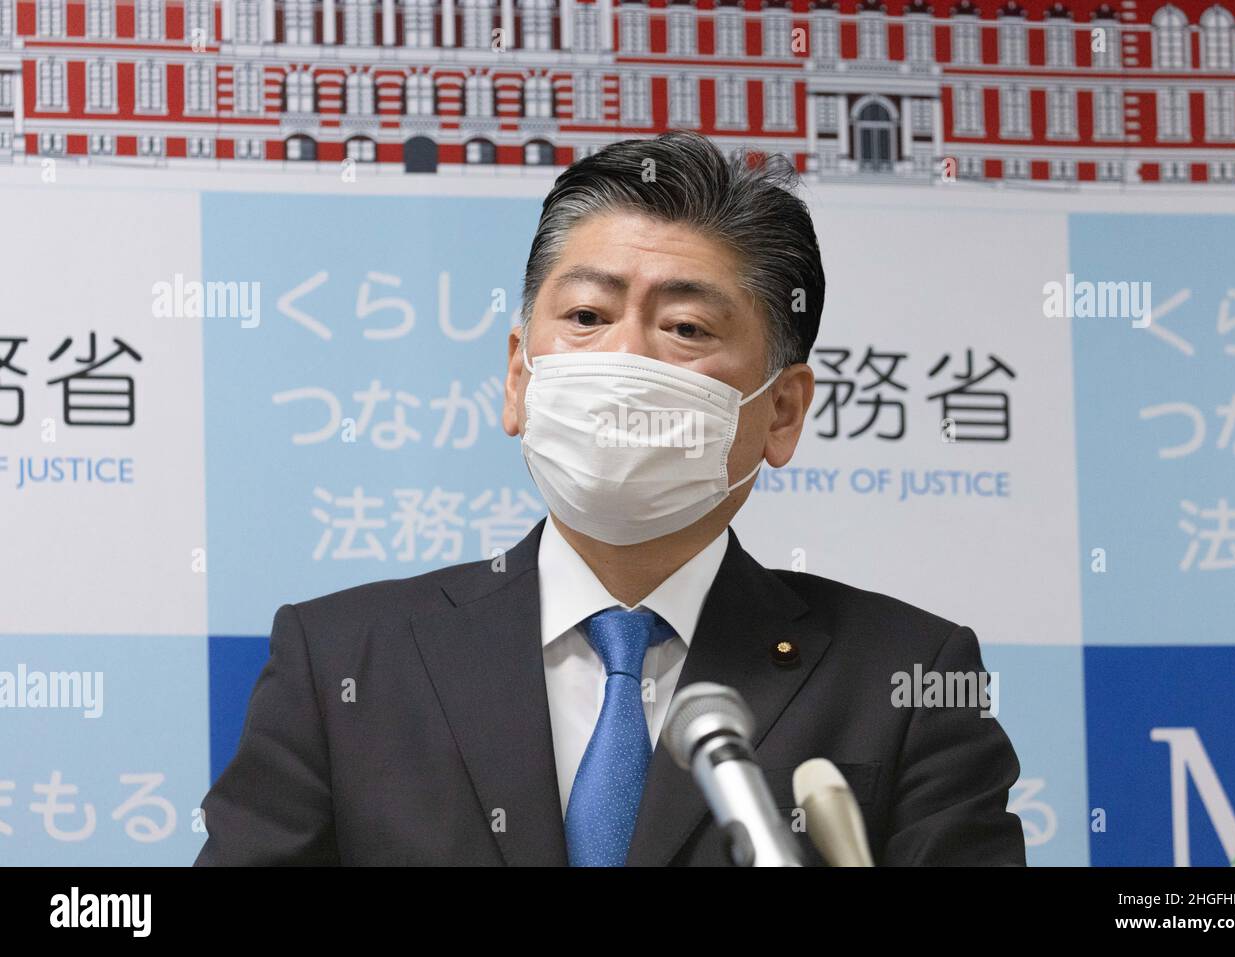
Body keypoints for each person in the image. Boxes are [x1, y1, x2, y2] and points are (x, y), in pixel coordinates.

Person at [194, 130, 1025, 867]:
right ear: (519, 376)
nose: (624, 360)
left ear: (782, 410)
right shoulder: (341, 660)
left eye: (687, 328)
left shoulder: (904, 676)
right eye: (587, 314)